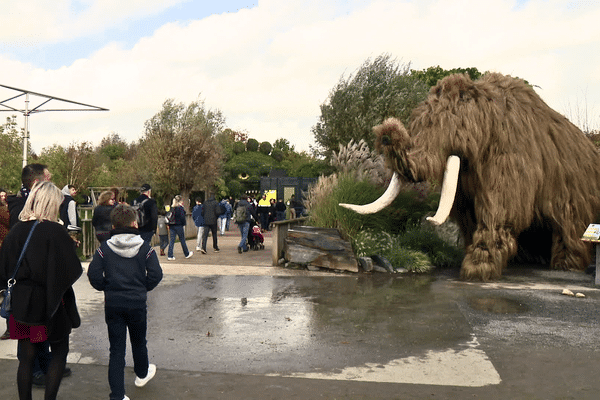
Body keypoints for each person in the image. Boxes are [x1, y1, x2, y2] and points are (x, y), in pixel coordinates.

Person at [0, 181, 82, 400]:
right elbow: (70, 269)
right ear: (51, 203)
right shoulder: (56, 231)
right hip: (51, 302)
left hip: (23, 302)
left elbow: (5, 266)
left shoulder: (17, 230)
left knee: (26, 358)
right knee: (59, 352)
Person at [87, 204, 163, 400]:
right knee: (139, 341)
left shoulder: (105, 248)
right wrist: (142, 287)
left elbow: (93, 274)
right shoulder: (144, 247)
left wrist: (107, 287)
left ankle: (118, 395)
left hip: (113, 303)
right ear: (134, 223)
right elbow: (156, 274)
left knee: (116, 350)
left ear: (114, 224)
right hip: (137, 302)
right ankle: (142, 374)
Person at [167, 195, 193, 260]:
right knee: (182, 240)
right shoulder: (180, 208)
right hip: (179, 225)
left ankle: (170, 255)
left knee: (172, 241)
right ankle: (186, 254)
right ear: (180, 201)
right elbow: (182, 217)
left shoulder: (172, 208)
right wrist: (184, 224)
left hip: (172, 225)